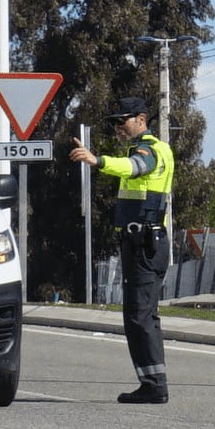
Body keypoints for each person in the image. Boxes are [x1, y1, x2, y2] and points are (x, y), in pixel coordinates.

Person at [69, 103, 174, 405]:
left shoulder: (148, 149)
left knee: (139, 317)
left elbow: (136, 167)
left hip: (144, 244)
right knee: (140, 316)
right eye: (114, 122)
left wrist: (97, 161)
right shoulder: (145, 147)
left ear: (142, 120)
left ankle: (154, 385)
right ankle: (152, 382)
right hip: (143, 242)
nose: (118, 126)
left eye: (122, 121)